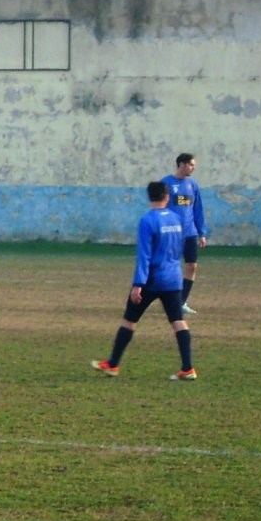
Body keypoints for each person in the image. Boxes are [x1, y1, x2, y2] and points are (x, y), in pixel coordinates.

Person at [92, 180, 196, 380]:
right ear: (167, 196)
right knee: (178, 322)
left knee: (129, 320)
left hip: (152, 279)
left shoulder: (148, 221)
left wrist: (138, 285)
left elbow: (144, 255)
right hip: (174, 279)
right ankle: (188, 368)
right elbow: (178, 249)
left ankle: (113, 365)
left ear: (149, 197)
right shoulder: (176, 219)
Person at [161, 152, 207, 314]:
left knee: (192, 266)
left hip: (190, 233)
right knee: (168, 267)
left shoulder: (192, 185)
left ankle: (181, 302)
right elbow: (160, 207)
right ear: (182, 164)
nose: (193, 168)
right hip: (172, 233)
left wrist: (202, 232)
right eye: (191, 164)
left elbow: (197, 210)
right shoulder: (167, 183)